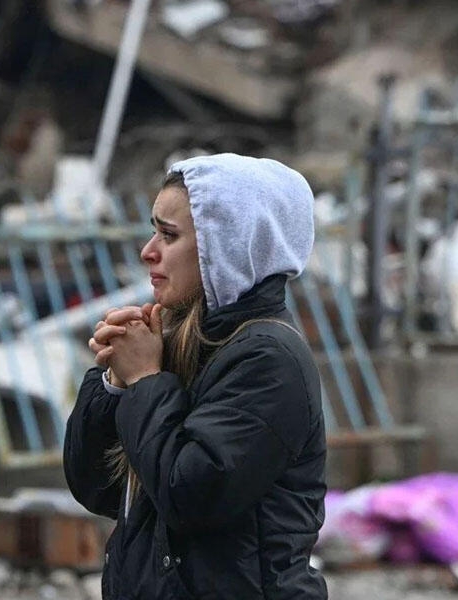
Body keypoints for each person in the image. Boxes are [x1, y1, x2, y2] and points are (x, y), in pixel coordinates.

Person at [63, 153, 327, 599]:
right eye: (153, 230)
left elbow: (192, 496)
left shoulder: (268, 358)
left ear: (226, 244)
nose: (148, 251)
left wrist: (146, 380)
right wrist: (113, 382)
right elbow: (99, 489)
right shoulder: (180, 339)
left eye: (169, 235)